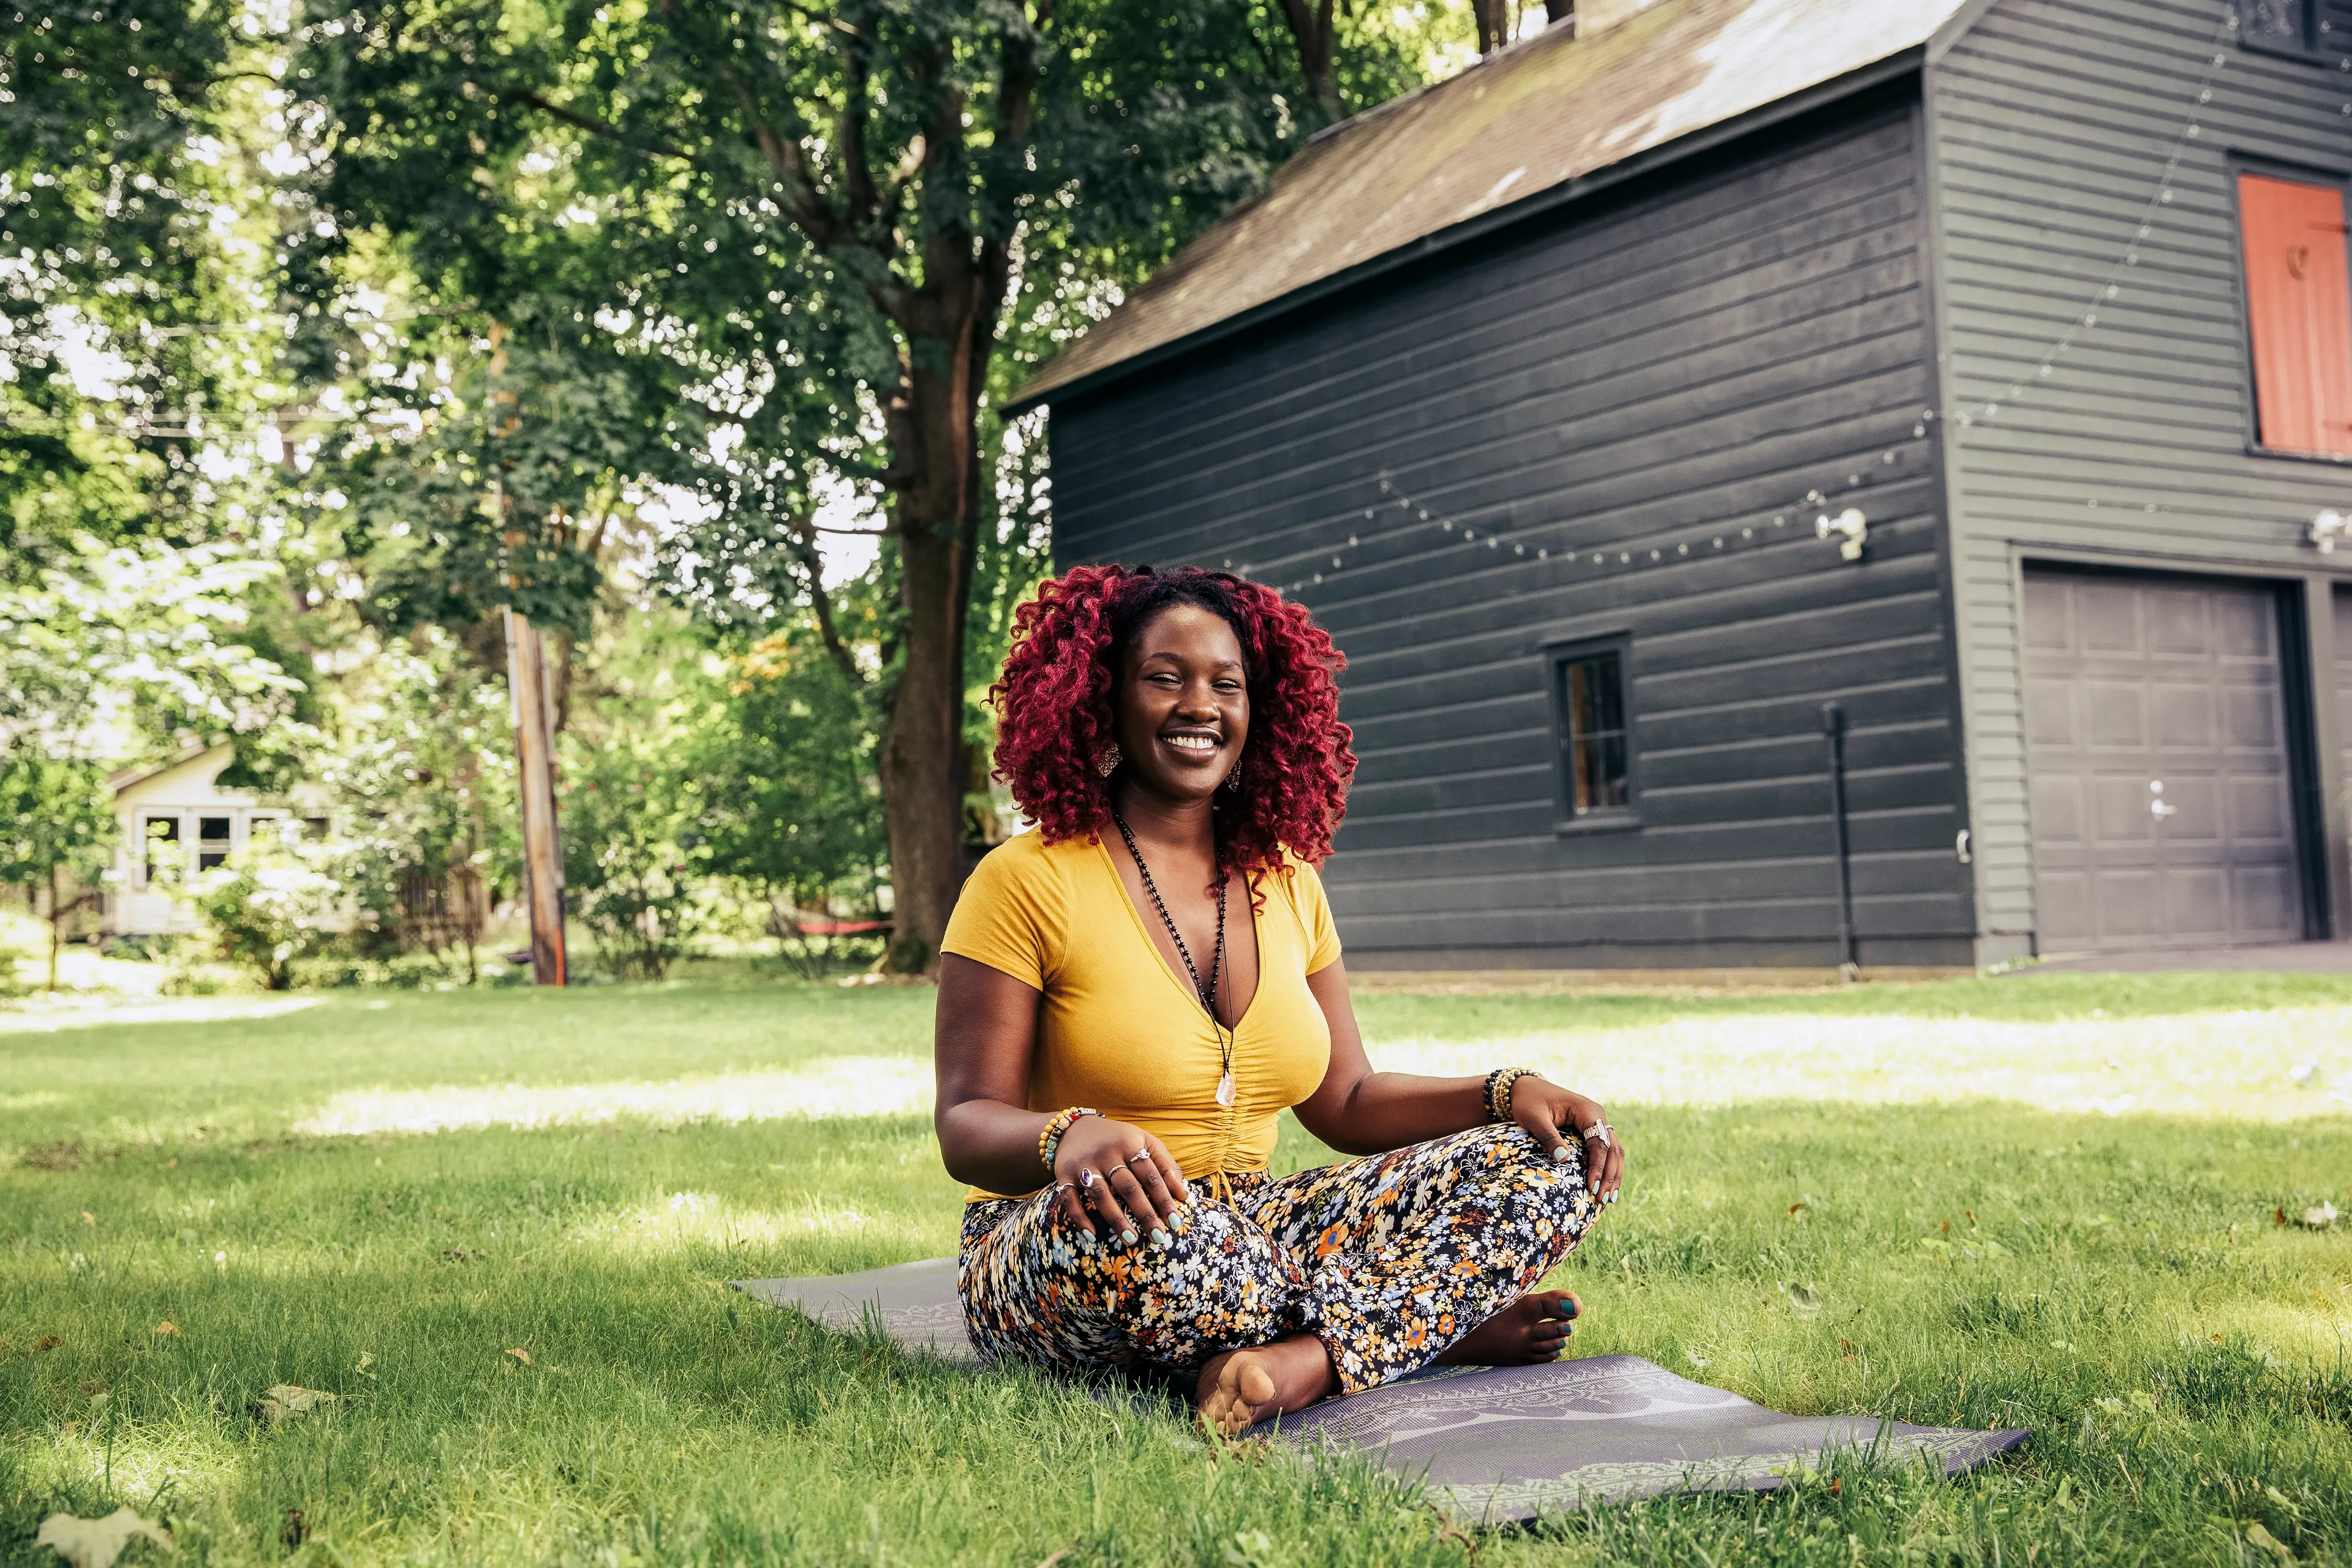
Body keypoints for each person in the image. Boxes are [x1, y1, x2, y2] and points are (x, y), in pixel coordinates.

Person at [933, 565, 1625, 1436]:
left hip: (1252, 1224)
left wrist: (1501, 1094)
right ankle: (1428, 1327)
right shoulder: (1024, 879)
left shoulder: (1288, 882)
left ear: (1259, 711)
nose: (1200, 706)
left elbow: (1347, 1102)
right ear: (1101, 697)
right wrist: (1067, 1134)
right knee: (1173, 1242)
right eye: (1164, 677)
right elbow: (964, 1122)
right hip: (1072, 1236)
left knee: (1550, 1163)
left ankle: (1305, 1358)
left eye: (1227, 684)